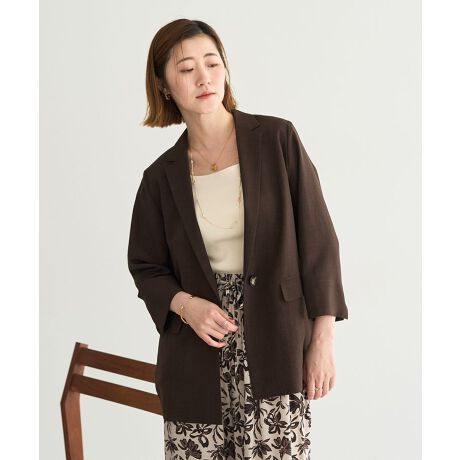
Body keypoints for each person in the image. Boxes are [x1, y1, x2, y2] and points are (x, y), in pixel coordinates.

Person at [128, 18, 349, 460]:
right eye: (186, 68)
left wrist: (322, 339)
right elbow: (146, 266)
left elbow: (319, 243)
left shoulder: (277, 139)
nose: (204, 77)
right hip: (194, 355)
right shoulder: (160, 178)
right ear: (164, 86)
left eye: (212, 63)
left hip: (278, 344)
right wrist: (186, 306)